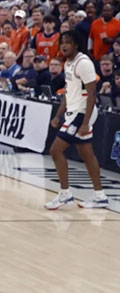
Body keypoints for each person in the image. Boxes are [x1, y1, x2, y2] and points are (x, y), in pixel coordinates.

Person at [44, 30, 110, 210]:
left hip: (82, 113)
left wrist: (85, 122)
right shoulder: (68, 63)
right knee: (87, 154)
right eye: (62, 42)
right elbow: (68, 91)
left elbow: (92, 94)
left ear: (76, 45)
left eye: (68, 42)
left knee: (55, 150)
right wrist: (58, 115)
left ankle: (65, 194)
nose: (64, 45)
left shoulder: (84, 63)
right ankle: (100, 196)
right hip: (74, 112)